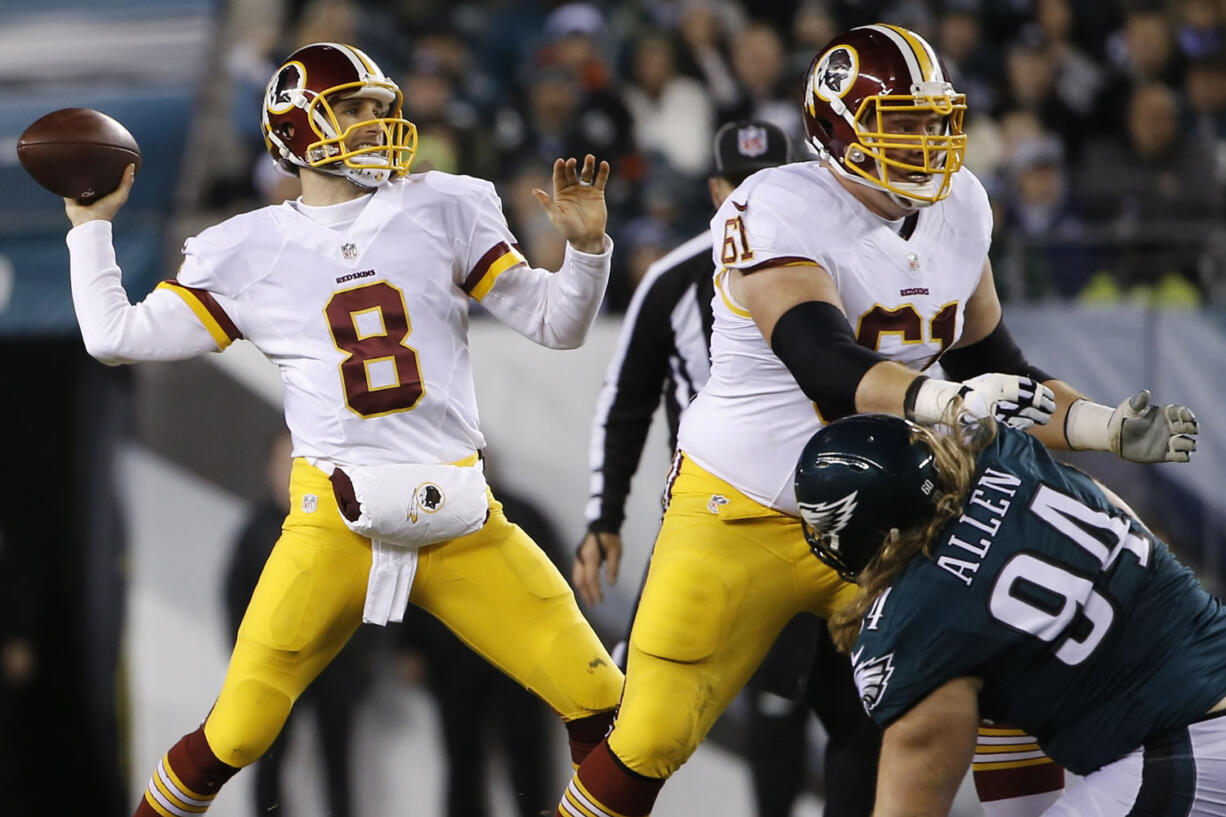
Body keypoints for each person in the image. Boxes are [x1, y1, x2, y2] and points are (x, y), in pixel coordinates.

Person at [554, 23, 1198, 817]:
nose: (930, 141)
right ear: (838, 128)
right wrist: (943, 404)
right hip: (746, 501)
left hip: (891, 514)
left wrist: (1102, 425)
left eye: (936, 120)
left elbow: (992, 365)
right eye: (906, 122)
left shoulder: (961, 203)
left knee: (983, 676)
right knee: (650, 735)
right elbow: (821, 356)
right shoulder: (776, 203)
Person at [59, 42, 625, 817]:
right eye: (352, 109)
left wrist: (587, 251)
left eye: (377, 107)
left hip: (459, 515)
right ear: (296, 129)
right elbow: (113, 335)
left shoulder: (444, 204)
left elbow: (557, 326)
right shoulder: (247, 248)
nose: (374, 123)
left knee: (602, 699)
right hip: (333, 521)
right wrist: (89, 229)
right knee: (240, 728)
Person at [576, 118, 880, 817]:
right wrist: (604, 515)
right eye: (740, 184)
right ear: (716, 190)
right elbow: (625, 400)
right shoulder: (676, 276)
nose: (754, 196)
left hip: (833, 518)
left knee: (854, 709)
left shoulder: (843, 260)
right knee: (642, 710)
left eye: (768, 180)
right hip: (719, 511)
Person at [795, 412, 1225, 817]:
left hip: (1190, 752)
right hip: (1203, 702)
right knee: (998, 695)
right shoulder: (1014, 457)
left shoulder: (910, 628)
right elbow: (1139, 534)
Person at [221, 431, 376, 817]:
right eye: (282, 464)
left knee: (337, 766)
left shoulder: (345, 524)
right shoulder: (254, 531)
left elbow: (369, 592)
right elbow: (234, 600)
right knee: (267, 763)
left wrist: (364, 663)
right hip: (275, 672)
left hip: (335, 669)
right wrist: (246, 668)